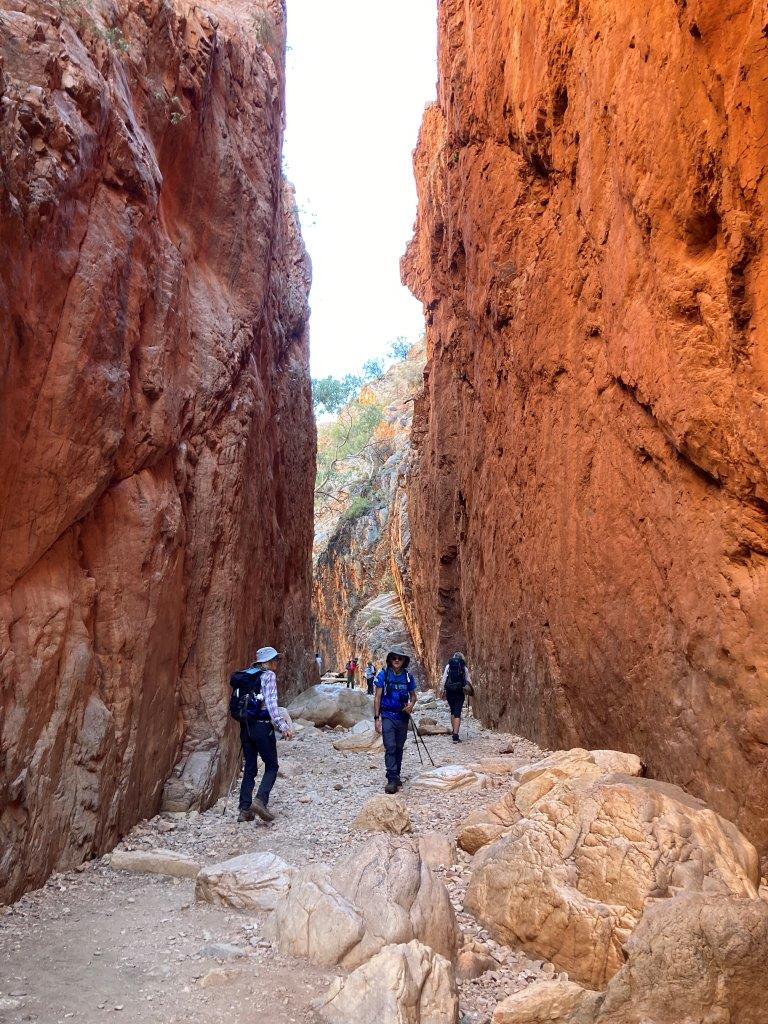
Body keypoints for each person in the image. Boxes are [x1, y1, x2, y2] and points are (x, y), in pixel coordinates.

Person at [229, 646, 294, 823]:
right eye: (275, 659)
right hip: (262, 726)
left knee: (250, 766)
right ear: (267, 661)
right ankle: (260, 801)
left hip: (246, 726)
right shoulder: (268, 676)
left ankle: (244, 810)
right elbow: (271, 703)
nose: (276, 662)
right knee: (272, 766)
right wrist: (282, 725)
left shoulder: (247, 675)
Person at [374, 649, 417, 793]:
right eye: (394, 658)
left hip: (402, 716)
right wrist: (376, 718)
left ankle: (396, 774)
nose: (397, 660)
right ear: (390, 659)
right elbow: (377, 697)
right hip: (387, 715)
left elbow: (413, 696)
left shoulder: (408, 676)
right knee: (390, 746)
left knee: (399, 747)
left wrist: (411, 705)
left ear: (404, 660)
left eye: (400, 658)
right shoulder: (383, 674)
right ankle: (391, 778)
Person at [440, 651, 473, 742]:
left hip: (449, 691)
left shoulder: (448, 666)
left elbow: (444, 679)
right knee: (457, 713)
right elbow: (468, 681)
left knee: (452, 711)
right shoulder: (464, 668)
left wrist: (442, 690)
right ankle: (455, 736)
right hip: (459, 692)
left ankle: (453, 730)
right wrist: (469, 691)